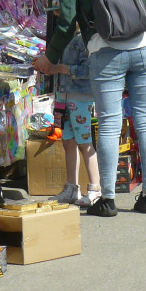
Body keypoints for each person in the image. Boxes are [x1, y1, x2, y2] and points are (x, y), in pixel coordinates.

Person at [34, 0, 146, 216]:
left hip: (106, 51)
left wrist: (48, 58)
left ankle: (107, 199)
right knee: (145, 120)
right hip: (145, 47)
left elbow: (66, 24)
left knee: (109, 123)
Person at [50, 32, 101, 207]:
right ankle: (72, 187)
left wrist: (60, 68)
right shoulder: (61, 37)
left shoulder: (83, 39)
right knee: (68, 141)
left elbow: (88, 70)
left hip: (80, 97)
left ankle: (95, 187)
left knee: (84, 142)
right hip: (63, 95)